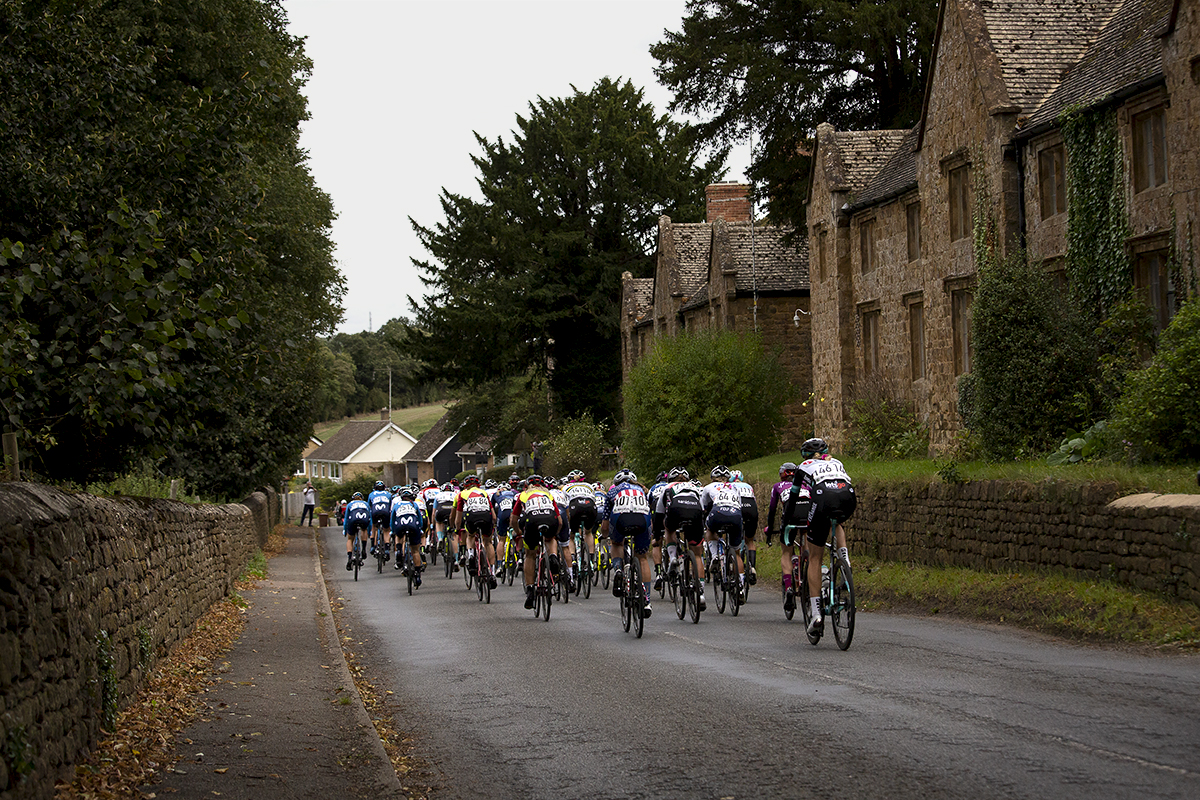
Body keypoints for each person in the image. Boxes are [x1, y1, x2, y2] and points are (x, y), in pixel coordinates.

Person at [787, 438, 856, 637]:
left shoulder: (803, 467)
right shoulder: (836, 462)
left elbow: (793, 498)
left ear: (805, 455)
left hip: (822, 495)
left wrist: (786, 522)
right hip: (848, 495)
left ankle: (816, 614)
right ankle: (845, 560)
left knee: (815, 557)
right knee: (838, 521)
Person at [604, 469, 653, 618]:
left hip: (620, 517)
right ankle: (647, 600)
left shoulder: (612, 492)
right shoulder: (642, 490)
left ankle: (618, 569)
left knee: (617, 544)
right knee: (642, 558)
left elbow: (605, 523)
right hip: (642, 518)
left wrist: (606, 536)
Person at [656, 467, 706, 610]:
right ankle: (701, 592)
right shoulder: (694, 486)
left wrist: (658, 535)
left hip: (676, 509)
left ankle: (672, 557)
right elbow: (702, 509)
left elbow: (659, 513)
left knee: (669, 528)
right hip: (695, 511)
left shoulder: (667, 487)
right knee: (697, 554)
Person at [510, 475, 563, 609]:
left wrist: (518, 532)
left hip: (532, 522)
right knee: (550, 540)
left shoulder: (523, 495)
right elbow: (560, 521)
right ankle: (553, 556)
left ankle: (530, 591)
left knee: (530, 555)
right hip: (550, 519)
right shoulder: (548, 495)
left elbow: (513, 519)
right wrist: (555, 534)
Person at [765, 462, 808, 613]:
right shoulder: (806, 485)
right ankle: (809, 565)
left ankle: (789, 586)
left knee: (786, 552)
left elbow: (772, 509)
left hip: (791, 515)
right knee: (808, 544)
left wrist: (770, 529)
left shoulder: (778, 486)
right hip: (808, 511)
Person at [700, 465, 746, 598]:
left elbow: (703, 507)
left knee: (710, 530)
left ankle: (714, 555)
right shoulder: (735, 488)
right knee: (736, 553)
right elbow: (740, 505)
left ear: (713, 478)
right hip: (736, 515)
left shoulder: (708, 487)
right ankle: (741, 586)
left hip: (718, 513)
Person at [451, 475, 498, 589]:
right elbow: (494, 515)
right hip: (486, 516)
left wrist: (457, 528)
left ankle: (471, 555)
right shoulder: (484, 493)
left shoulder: (461, 494)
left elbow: (458, 516)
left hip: (472, 517)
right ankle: (492, 572)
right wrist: (494, 525)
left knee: (470, 536)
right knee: (488, 543)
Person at [390, 487, 427, 584]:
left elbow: (392, 520)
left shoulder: (397, 505)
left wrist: (393, 531)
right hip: (413, 526)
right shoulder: (414, 504)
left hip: (400, 525)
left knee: (399, 537)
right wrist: (420, 529)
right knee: (415, 550)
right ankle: (418, 574)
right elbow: (420, 519)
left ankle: (399, 552)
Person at [730, 469, 759, 586]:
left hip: (738, 507)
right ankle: (752, 567)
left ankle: (736, 564)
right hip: (751, 508)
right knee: (750, 539)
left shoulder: (730, 485)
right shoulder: (748, 486)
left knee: (735, 537)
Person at [342, 492, 371, 571]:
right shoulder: (366, 504)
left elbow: (346, 519)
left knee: (350, 539)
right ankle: (364, 549)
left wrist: (345, 530)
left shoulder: (350, 504)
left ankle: (349, 558)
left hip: (353, 519)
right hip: (364, 519)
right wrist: (369, 530)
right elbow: (370, 518)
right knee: (364, 530)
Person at [367, 481, 393, 560]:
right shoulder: (388, 494)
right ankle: (387, 548)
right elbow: (390, 506)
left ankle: (372, 546)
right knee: (386, 530)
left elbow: (369, 506)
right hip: (385, 511)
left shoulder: (372, 494)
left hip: (375, 512)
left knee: (374, 527)